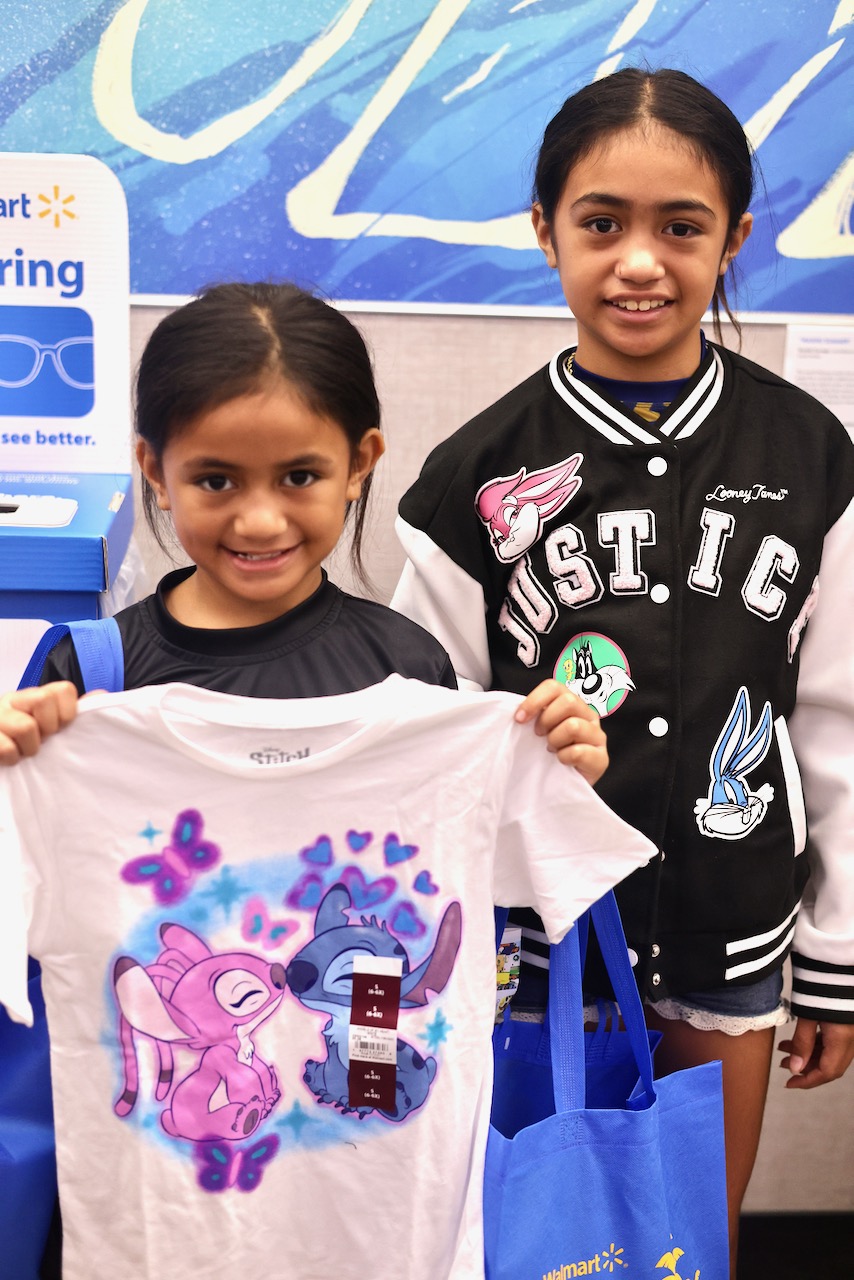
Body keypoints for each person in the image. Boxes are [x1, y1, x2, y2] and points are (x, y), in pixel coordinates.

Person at [0, 280, 613, 1280]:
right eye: (214, 479)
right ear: (153, 469)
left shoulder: (411, 674)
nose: (258, 518)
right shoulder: (91, 678)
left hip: (375, 1231)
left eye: (298, 475)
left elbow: (502, 882)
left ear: (361, 462)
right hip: (161, 1235)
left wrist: (557, 765)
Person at [391, 68, 854, 1275]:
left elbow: (835, 720)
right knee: (531, 1241)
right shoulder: (472, 477)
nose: (638, 261)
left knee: (688, 1240)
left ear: (732, 238)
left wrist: (834, 955)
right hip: (533, 946)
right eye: (600, 222)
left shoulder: (809, 455)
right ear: (543, 230)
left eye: (679, 227)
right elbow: (418, 729)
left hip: (728, 923)